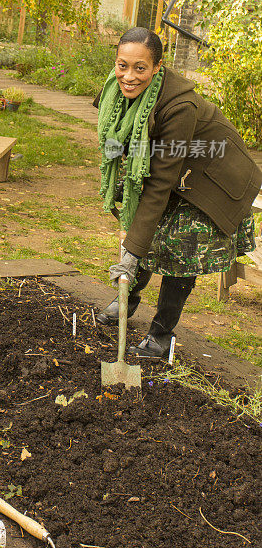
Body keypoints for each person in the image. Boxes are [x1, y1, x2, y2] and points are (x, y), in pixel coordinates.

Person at [94, 27, 261, 358]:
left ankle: (162, 333)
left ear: (157, 67)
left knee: (180, 245)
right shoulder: (116, 91)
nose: (128, 76)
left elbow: (160, 182)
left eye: (139, 68)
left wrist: (132, 248)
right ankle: (127, 299)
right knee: (146, 232)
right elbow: (119, 141)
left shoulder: (179, 105)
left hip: (215, 176)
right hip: (178, 166)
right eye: (121, 65)